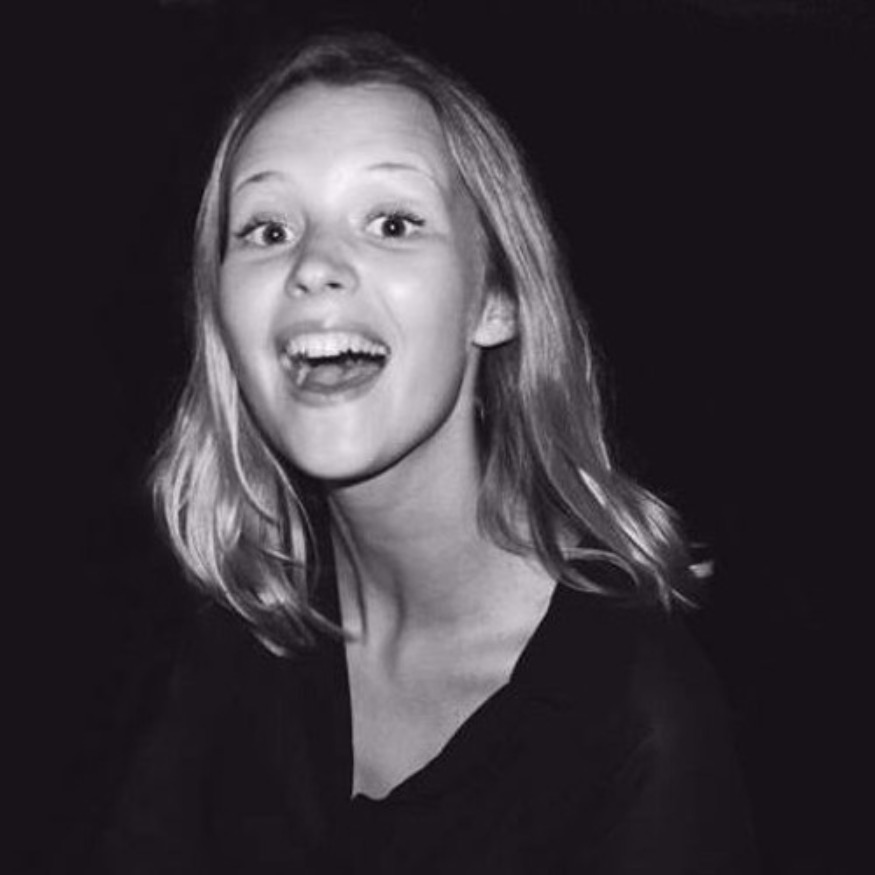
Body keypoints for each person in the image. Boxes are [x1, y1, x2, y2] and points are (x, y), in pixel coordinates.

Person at [102, 30, 758, 874]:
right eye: (266, 228)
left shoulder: (634, 722)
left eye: (392, 222)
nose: (313, 266)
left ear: (495, 301)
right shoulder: (239, 635)